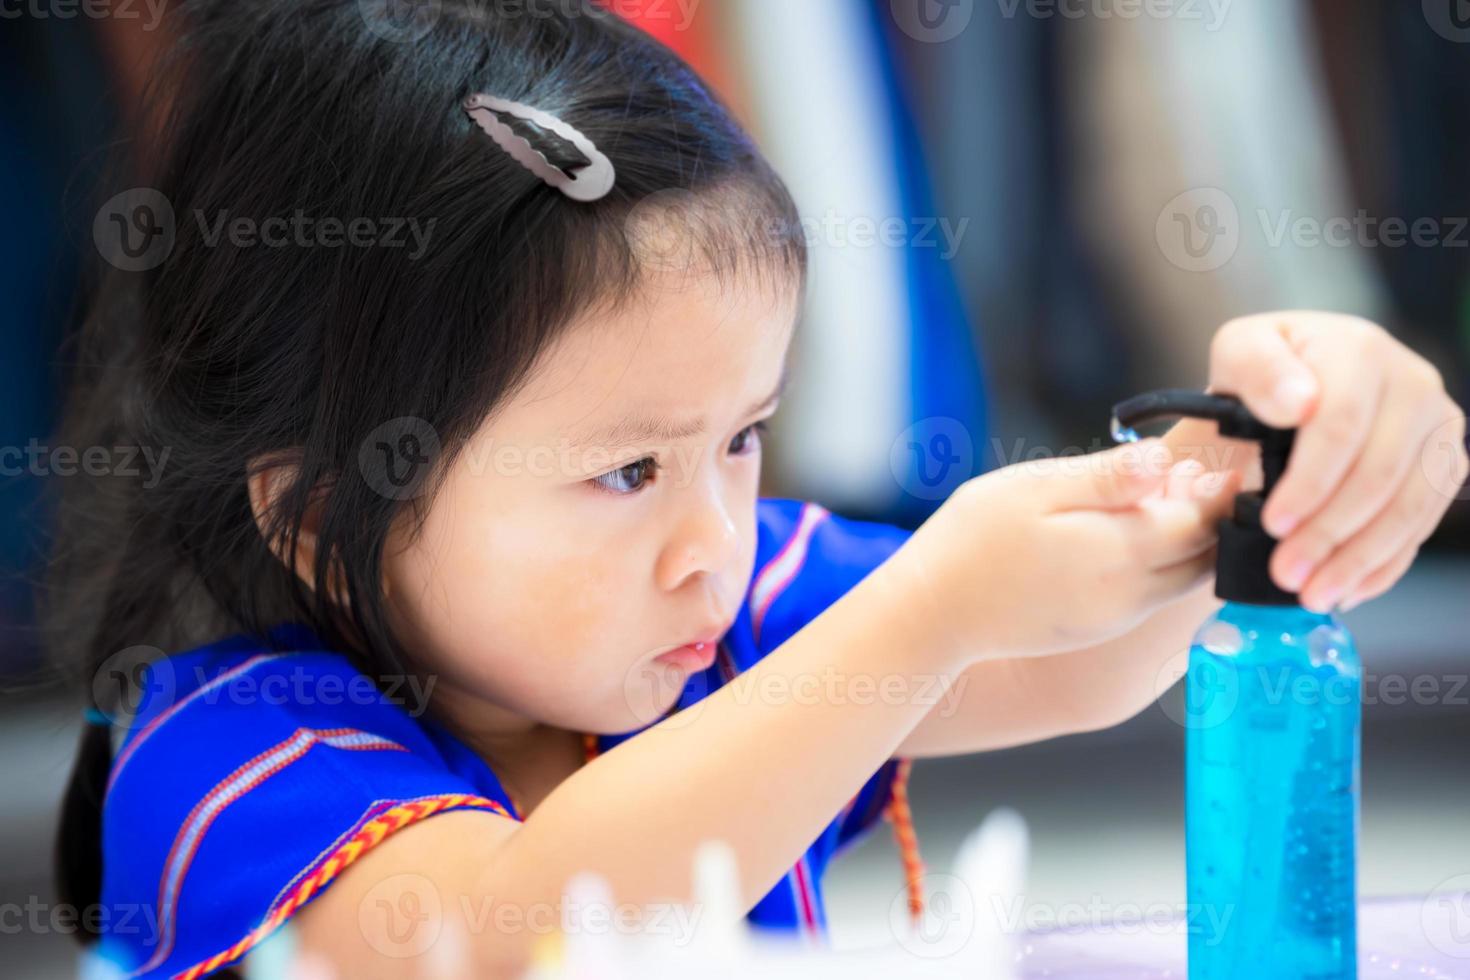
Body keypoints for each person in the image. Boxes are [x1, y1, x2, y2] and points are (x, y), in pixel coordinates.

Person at [47, 1, 1467, 977]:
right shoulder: (224, 758)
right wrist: (924, 613)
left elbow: (1073, 653)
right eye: (623, 470)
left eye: (742, 437)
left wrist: (1263, 449)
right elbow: (522, 926)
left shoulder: (722, 606)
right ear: (310, 516)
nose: (707, 541)